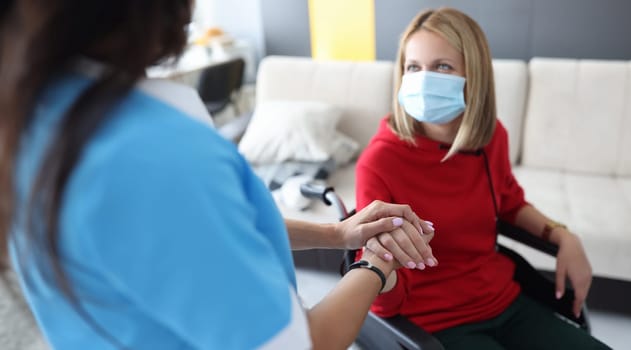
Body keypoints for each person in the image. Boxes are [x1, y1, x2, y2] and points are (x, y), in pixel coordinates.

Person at [0, 1, 436, 349]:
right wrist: (376, 264)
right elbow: (305, 343)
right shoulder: (156, 155)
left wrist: (337, 235)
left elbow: (202, 234)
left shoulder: (35, 116)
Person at [354, 7, 611, 350]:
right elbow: (379, 291)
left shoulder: (491, 138)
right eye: (413, 67)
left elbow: (508, 201)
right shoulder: (379, 163)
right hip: (435, 323)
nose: (424, 79)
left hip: (504, 301)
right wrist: (379, 271)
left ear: (473, 75)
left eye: (442, 66)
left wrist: (563, 236)